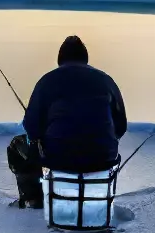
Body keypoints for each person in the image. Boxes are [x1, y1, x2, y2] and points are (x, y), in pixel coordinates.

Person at [7, 35, 128, 209]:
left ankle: (34, 199)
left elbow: (32, 130)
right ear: (86, 59)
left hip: (58, 160)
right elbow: (121, 127)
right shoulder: (106, 81)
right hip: (103, 158)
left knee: (17, 146)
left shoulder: (47, 81)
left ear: (59, 60)